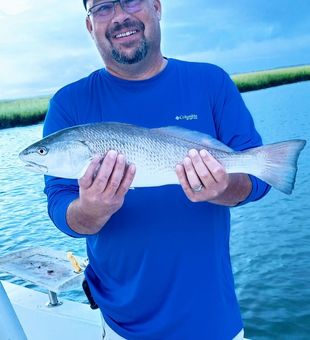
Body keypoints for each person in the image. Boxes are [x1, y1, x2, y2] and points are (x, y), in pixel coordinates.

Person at [43, 0, 270, 339]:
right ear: (90, 26)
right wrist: (91, 210)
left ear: (157, 7)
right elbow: (60, 205)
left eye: (131, 0)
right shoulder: (68, 104)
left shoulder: (211, 81)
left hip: (213, 317)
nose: (120, 15)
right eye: (103, 7)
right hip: (120, 323)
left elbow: (259, 179)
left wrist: (222, 187)